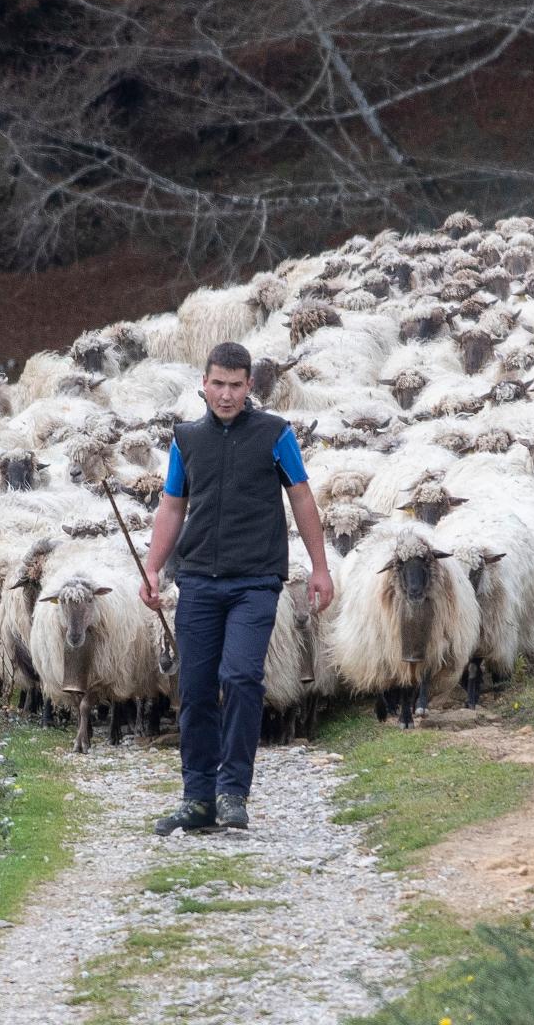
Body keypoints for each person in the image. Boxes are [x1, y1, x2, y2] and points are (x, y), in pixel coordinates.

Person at [138, 341, 334, 835]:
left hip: (256, 579)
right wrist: (153, 567)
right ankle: (198, 798)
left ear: (250, 387)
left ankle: (233, 793)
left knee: (242, 678)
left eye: (236, 385)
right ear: (203, 385)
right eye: (218, 384)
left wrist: (320, 567)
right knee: (196, 689)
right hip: (199, 578)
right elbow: (172, 506)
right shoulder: (186, 439)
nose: (226, 395)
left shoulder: (275, 434)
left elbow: (303, 499)